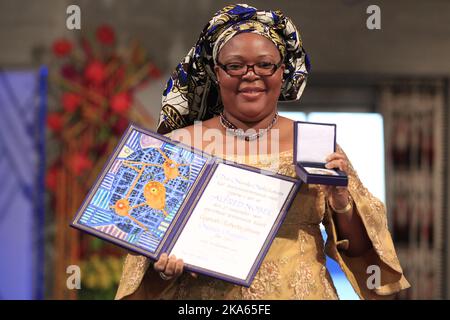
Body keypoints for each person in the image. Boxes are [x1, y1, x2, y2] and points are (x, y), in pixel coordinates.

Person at [115, 3, 410, 300]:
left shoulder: (314, 143)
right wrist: (163, 268)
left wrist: (341, 201)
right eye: (235, 66)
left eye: (265, 64)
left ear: (282, 71)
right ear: (217, 73)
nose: (250, 75)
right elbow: (143, 265)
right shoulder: (180, 146)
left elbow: (363, 253)